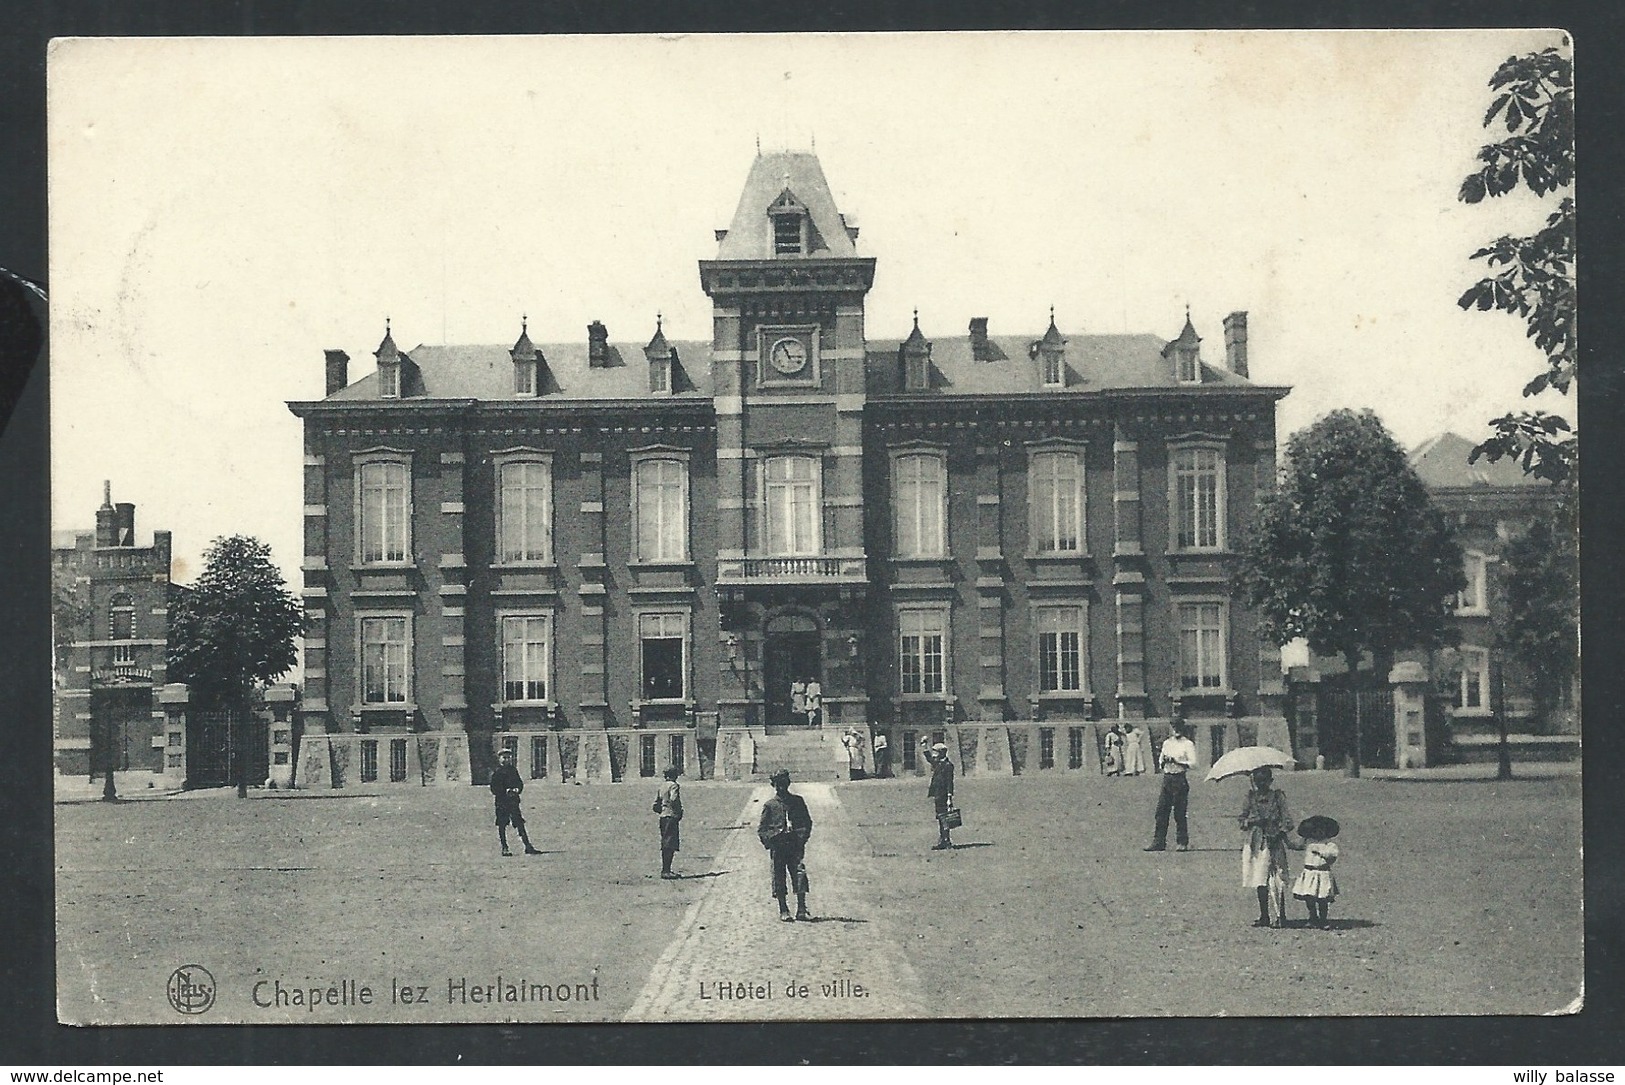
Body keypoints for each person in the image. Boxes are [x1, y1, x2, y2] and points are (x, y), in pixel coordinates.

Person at [1239, 766, 1293, 928]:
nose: (1261, 785)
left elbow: (1288, 821)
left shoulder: (1278, 797)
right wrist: (1253, 822)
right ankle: (1264, 915)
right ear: (1254, 781)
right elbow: (1241, 821)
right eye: (1258, 781)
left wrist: (1279, 832)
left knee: (1279, 877)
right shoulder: (1250, 798)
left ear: (1270, 781)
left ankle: (1280, 914)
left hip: (1275, 839)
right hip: (1258, 842)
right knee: (1260, 877)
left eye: (1265, 781)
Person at [757, 769, 813, 921]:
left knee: (799, 874)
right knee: (778, 876)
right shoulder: (770, 806)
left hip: (794, 844)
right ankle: (783, 909)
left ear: (788, 783)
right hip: (779, 846)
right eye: (778, 784)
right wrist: (773, 839)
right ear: (773, 785)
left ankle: (802, 908)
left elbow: (806, 823)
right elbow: (762, 830)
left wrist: (801, 838)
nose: (781, 787)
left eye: (783, 783)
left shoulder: (797, 802)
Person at [1145, 719, 1195, 851]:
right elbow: (1161, 759)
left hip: (1180, 779)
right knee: (1161, 811)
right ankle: (1159, 841)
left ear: (1182, 728)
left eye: (1178, 727)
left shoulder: (1188, 744)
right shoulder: (1167, 743)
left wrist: (1178, 761)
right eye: (1173, 727)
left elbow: (1193, 763)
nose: (1176, 730)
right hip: (1167, 779)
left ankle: (1182, 842)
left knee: (1179, 812)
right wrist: (1164, 761)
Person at [1290, 815, 1341, 928]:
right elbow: (1296, 846)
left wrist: (1320, 851)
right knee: (1309, 897)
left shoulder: (1330, 845)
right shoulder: (1308, 842)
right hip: (1309, 872)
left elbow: (1332, 856)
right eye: (1315, 830)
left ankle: (1323, 919)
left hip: (1322, 874)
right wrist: (1285, 839)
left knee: (1322, 898)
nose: (1318, 833)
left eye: (1321, 830)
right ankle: (1312, 917)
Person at [490, 748, 541, 857]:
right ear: (499, 759)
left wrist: (517, 789)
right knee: (502, 825)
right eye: (504, 757)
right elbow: (494, 788)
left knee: (519, 823)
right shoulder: (497, 772)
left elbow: (519, 783)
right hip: (502, 802)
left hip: (513, 802)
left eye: (508, 757)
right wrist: (505, 791)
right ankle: (504, 847)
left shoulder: (513, 770)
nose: (506, 760)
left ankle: (528, 846)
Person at [653, 764, 684, 879]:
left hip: (663, 817)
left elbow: (656, 804)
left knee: (665, 842)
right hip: (671, 816)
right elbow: (674, 799)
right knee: (670, 843)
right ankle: (666, 871)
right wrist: (678, 811)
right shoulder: (674, 786)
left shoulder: (662, 786)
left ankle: (665, 869)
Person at [927, 741, 956, 850]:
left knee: (944, 818)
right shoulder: (938, 763)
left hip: (943, 795)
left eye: (936, 752)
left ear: (942, 753)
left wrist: (949, 797)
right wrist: (925, 747)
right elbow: (930, 759)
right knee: (940, 817)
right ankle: (943, 839)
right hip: (937, 794)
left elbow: (949, 782)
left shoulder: (948, 765)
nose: (934, 755)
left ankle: (946, 840)